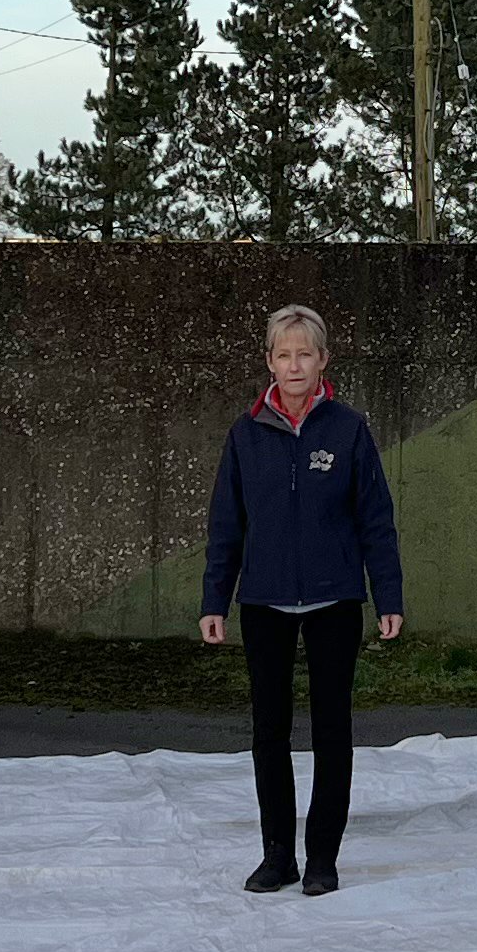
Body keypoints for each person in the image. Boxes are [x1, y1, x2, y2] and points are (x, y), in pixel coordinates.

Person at [197, 305, 405, 895]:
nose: (294, 365)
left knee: (332, 732)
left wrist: (387, 593)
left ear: (322, 362)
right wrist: (217, 599)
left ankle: (321, 861)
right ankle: (276, 857)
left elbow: (376, 521)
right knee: (269, 734)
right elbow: (226, 526)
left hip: (335, 602)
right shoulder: (245, 433)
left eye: (305, 354)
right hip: (263, 602)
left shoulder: (348, 429)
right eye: (283, 354)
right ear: (269, 362)